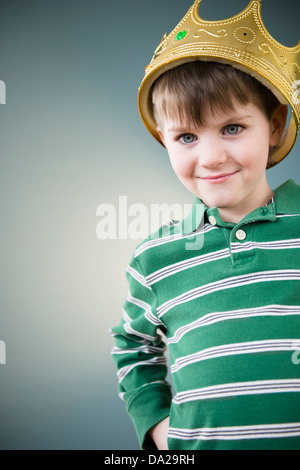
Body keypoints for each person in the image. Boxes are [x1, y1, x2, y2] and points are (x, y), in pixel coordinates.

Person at [110, 0, 300, 450]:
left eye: (233, 128)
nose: (211, 158)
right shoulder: (156, 258)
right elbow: (131, 344)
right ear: (164, 139)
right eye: (187, 137)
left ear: (274, 126)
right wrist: (156, 425)